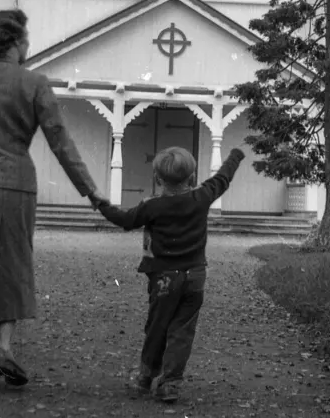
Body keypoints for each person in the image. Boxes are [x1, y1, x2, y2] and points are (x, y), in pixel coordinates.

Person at [0, 8, 106, 390]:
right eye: (25, 39)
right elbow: (60, 142)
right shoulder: (35, 83)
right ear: (14, 43)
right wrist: (90, 190)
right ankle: (4, 347)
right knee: (12, 265)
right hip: (15, 182)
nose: (27, 46)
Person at [90, 145, 245, 403]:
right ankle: (171, 383)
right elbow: (222, 178)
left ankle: (144, 378)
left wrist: (101, 204)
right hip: (195, 277)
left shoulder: (151, 207)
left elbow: (124, 219)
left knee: (157, 327)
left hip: (163, 278)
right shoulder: (202, 197)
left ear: (157, 179)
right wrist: (235, 157)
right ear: (192, 177)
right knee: (182, 331)